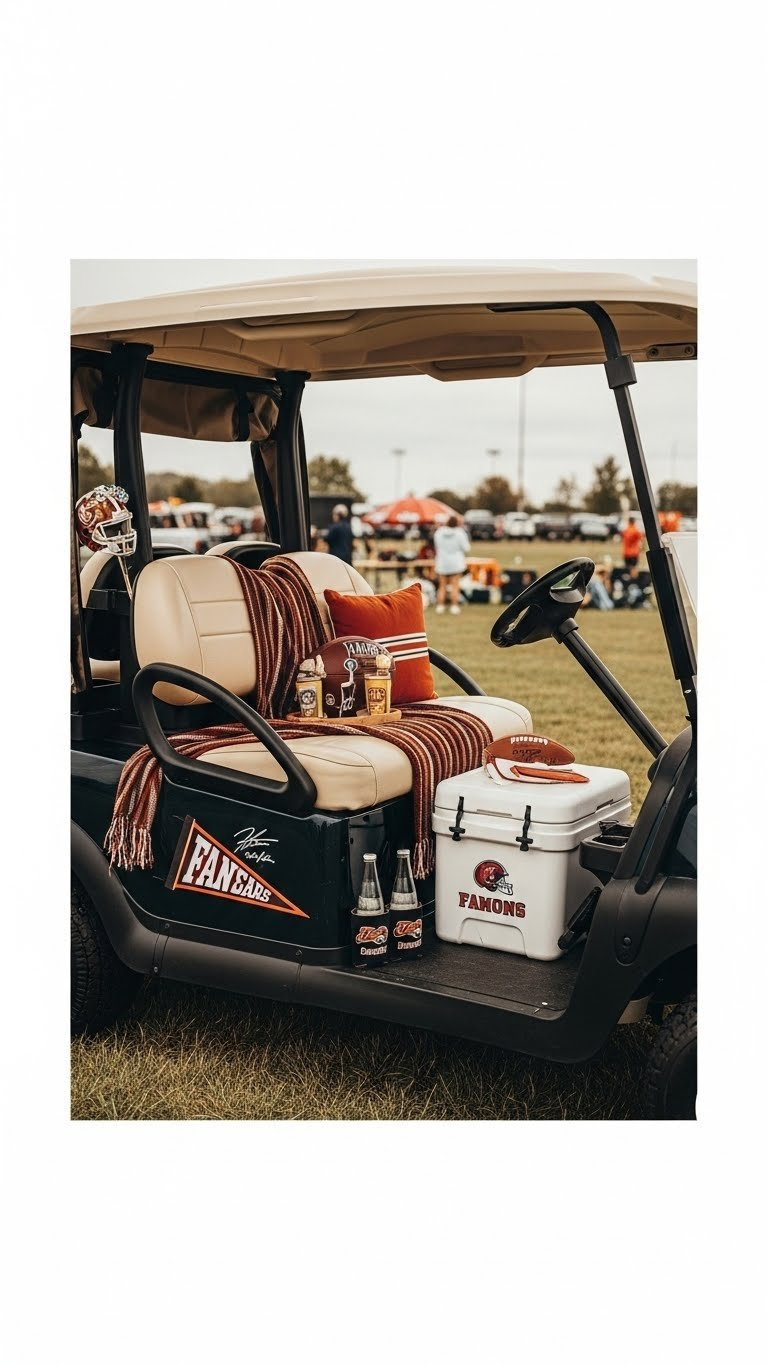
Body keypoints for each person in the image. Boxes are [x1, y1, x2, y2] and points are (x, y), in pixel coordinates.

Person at [433, 515, 471, 615]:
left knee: (442, 585)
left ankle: (440, 606)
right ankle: (454, 606)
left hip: (442, 562)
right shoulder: (460, 533)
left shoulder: (439, 532)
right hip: (456, 562)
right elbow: (466, 548)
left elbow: (436, 546)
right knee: (455, 585)